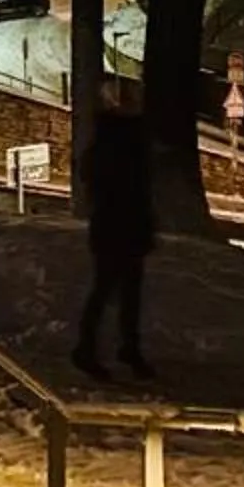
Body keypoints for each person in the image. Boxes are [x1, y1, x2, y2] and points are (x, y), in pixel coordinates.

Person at [73, 77, 157, 381]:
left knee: (123, 290)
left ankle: (124, 346)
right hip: (118, 225)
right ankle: (90, 348)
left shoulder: (112, 139)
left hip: (118, 224)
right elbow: (129, 186)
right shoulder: (122, 141)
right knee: (109, 289)